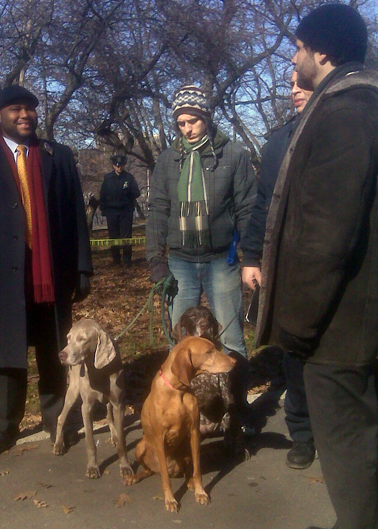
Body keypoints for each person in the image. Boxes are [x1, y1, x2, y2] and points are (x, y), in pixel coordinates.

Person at [255, 5, 378, 529]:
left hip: (340, 329)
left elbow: (326, 235)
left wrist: (297, 328)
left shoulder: (347, 112)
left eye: (298, 49)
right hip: (353, 320)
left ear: (322, 51)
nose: (292, 62)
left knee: (349, 449)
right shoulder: (354, 106)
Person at [0, 85, 93, 454]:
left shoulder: (56, 155)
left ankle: (55, 416)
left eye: (30, 108)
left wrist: (82, 269)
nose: (25, 114)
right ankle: (5, 426)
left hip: (50, 272)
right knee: (7, 353)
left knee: (51, 348)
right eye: (15, 109)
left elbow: (76, 214)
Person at [146, 85, 257, 427]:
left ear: (206, 118)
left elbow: (247, 208)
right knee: (181, 345)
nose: (187, 129)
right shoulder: (167, 160)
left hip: (220, 260)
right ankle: (182, 411)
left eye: (193, 121)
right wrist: (156, 260)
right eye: (180, 123)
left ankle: (238, 411)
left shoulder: (233, 155)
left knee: (233, 338)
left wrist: (250, 256)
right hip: (179, 261)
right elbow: (158, 210)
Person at [241, 72, 315, 469]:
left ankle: (345, 433)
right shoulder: (277, 143)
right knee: (294, 352)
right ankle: (302, 433)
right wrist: (251, 256)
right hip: (289, 268)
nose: (294, 90)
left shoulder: (356, 126)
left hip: (346, 270)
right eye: (290, 85)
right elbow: (262, 206)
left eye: (302, 82)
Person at [99, 154, 140, 267]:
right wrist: (103, 209)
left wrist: (128, 193)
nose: (119, 168)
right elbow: (102, 194)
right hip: (111, 212)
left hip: (125, 212)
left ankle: (127, 260)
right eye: (117, 166)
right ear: (113, 166)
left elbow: (136, 193)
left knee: (126, 237)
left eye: (121, 165)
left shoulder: (129, 178)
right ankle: (116, 260)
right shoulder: (107, 178)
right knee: (113, 237)